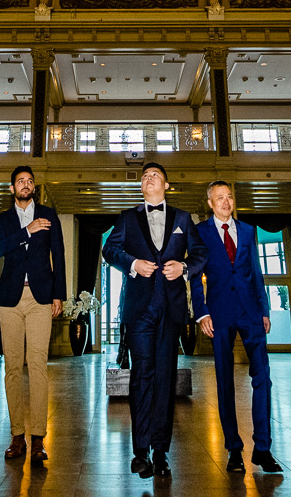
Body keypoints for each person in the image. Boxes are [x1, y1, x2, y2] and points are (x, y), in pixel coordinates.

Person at [102, 161, 207, 480]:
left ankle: (161, 451)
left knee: (165, 379)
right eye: (145, 176)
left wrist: (185, 268)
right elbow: (109, 250)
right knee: (141, 377)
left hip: (171, 310)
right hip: (140, 310)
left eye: (155, 175)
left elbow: (201, 253)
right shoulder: (127, 218)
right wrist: (132, 263)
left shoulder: (183, 218)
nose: (148, 178)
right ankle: (140, 451)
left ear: (166, 184)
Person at [190, 180, 281, 474]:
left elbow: (256, 271)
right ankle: (233, 449)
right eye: (219, 197)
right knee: (225, 381)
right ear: (210, 203)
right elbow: (194, 275)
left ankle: (263, 449)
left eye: (229, 196)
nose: (226, 202)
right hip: (219, 314)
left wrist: (264, 309)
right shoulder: (200, 232)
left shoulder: (248, 231)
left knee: (263, 379)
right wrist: (201, 313)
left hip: (251, 312)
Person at [0, 165, 66, 464]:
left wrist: (58, 293)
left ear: (34, 187)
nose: (26, 185)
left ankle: (37, 438)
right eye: (20, 181)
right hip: (9, 299)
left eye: (30, 181)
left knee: (37, 366)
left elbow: (58, 255)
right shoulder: (4, 219)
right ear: (12, 189)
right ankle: (16, 435)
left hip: (40, 299)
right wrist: (26, 231)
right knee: (12, 368)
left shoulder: (48, 214)